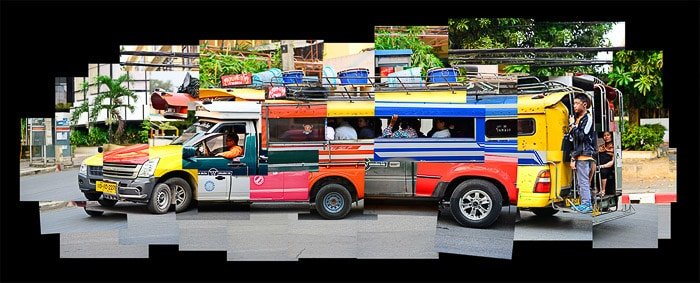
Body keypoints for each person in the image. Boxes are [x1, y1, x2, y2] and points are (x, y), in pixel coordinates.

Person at [568, 93, 597, 213]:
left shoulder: (588, 118)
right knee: (581, 181)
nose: (574, 106)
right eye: (573, 103)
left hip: (585, 155)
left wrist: (573, 126)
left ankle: (587, 204)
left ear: (584, 105)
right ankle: (585, 202)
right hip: (580, 154)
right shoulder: (577, 118)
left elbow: (582, 136)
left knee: (583, 181)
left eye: (576, 103)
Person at [597, 131, 615, 197]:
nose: (606, 137)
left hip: (608, 167)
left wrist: (602, 166)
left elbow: (612, 162)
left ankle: (603, 190)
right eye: (605, 135)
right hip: (598, 165)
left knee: (603, 172)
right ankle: (595, 189)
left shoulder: (614, 147)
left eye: (608, 135)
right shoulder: (601, 147)